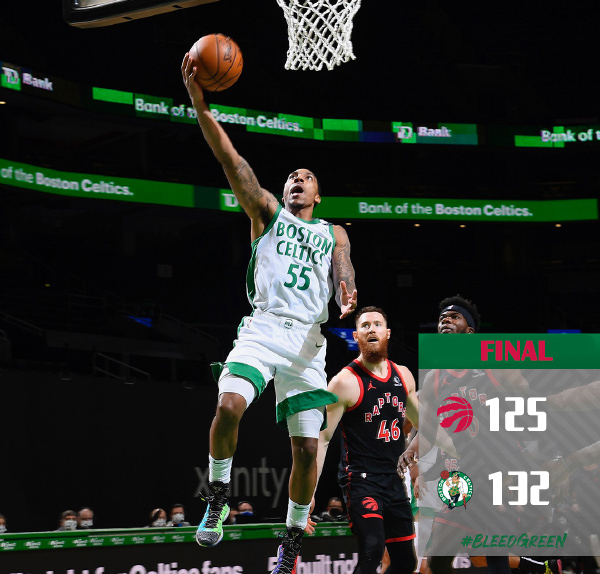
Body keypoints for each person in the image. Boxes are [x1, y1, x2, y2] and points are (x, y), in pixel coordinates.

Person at [181, 52, 358, 574]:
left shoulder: (332, 232)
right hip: (263, 329)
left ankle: (292, 542)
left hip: (308, 343)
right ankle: (217, 497)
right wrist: (199, 105)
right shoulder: (266, 213)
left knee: (306, 450)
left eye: (307, 177)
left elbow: (344, 267)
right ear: (282, 191)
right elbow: (230, 159)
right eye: (291, 177)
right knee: (229, 406)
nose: (297, 180)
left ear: (318, 194)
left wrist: (347, 291)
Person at [397, 295, 561, 574]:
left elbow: (534, 404)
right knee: (438, 561)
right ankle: (539, 569)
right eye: (442, 318)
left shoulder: (492, 365)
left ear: (470, 331)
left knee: (493, 555)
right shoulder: (435, 378)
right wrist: (411, 450)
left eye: (454, 317)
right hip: (462, 477)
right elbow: (431, 429)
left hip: (498, 471)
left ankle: (538, 567)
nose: (446, 320)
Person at [311, 306, 419, 574]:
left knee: (406, 563)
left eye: (377, 324)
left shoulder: (403, 375)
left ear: (387, 333)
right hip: (361, 480)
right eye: (365, 325)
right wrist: (307, 494)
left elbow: (427, 425)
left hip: (394, 480)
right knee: (372, 550)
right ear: (356, 336)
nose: (372, 329)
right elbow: (322, 440)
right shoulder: (344, 382)